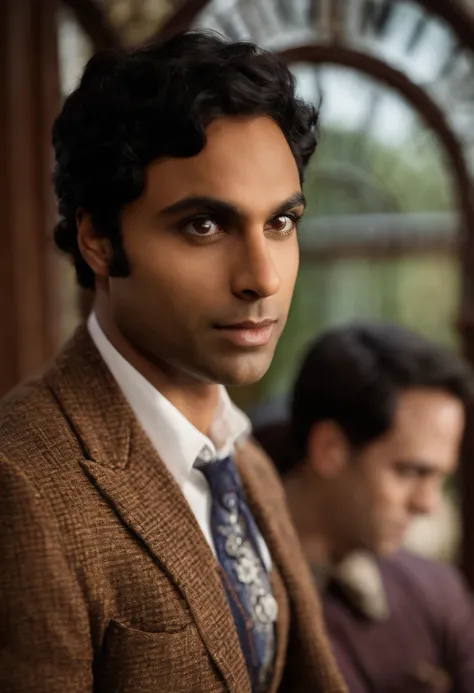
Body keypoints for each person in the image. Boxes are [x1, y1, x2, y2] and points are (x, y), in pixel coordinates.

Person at [0, 31, 347, 693]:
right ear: (98, 239)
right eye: (204, 226)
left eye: (281, 223)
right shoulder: (22, 486)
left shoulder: (241, 457)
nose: (262, 278)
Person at [255, 322, 474, 693]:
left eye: (441, 478)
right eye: (411, 471)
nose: (428, 504)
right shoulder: (233, 594)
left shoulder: (434, 592)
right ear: (329, 449)